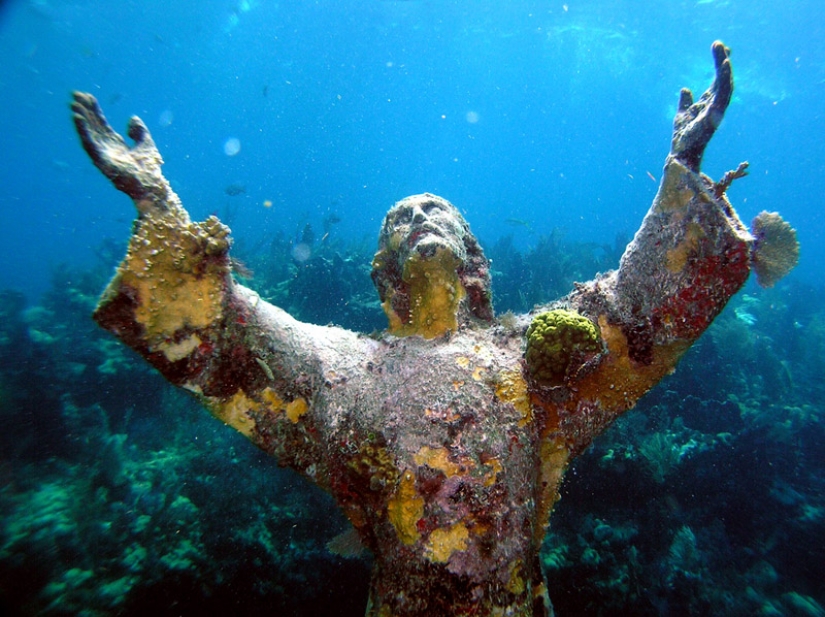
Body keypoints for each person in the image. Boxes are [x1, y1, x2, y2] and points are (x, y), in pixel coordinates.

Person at [71, 42, 796, 617]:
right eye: (401, 217)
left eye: (435, 209)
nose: (419, 216)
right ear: (383, 271)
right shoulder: (339, 368)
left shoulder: (529, 355)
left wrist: (682, 166)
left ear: (473, 255)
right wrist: (158, 204)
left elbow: (633, 315)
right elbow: (232, 336)